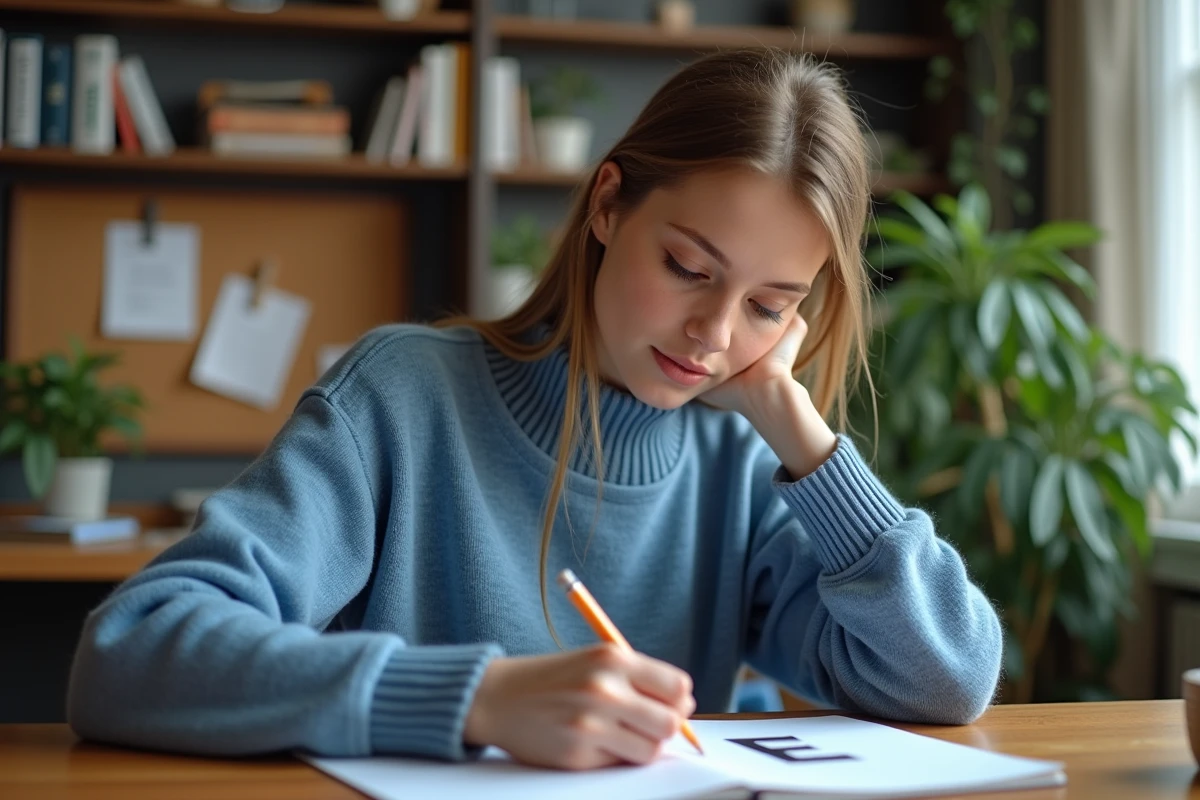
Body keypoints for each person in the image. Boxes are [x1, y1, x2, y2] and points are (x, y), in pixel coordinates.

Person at [67, 48, 1002, 771]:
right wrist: (474, 699)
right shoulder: (403, 397)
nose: (715, 333)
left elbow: (946, 678)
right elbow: (133, 653)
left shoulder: (744, 462)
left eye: (770, 304)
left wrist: (800, 431)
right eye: (687, 267)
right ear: (607, 205)